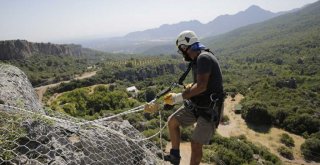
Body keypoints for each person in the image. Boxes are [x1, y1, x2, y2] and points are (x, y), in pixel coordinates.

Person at [163, 30, 224, 165]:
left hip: (209, 109)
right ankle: (174, 156)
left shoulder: (204, 58)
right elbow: (201, 84)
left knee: (196, 143)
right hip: (198, 105)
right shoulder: (197, 60)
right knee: (172, 121)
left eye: (182, 49)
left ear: (187, 46)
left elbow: (202, 86)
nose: (183, 53)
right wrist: (186, 90)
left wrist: (177, 98)